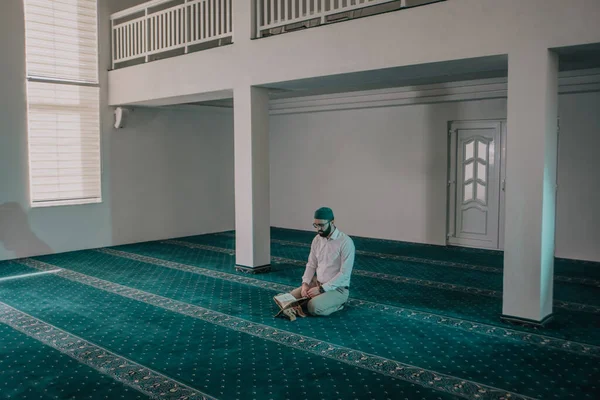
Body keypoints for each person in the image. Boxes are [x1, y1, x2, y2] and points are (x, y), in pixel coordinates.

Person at [289, 207, 355, 316]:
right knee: (291, 298)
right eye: (316, 225)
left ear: (332, 222)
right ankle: (317, 299)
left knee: (313, 307)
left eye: (321, 225)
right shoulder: (317, 239)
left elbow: (344, 274)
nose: (318, 229)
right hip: (317, 283)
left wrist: (321, 289)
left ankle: (339, 304)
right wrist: (305, 284)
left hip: (337, 289)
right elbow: (311, 264)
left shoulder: (345, 242)